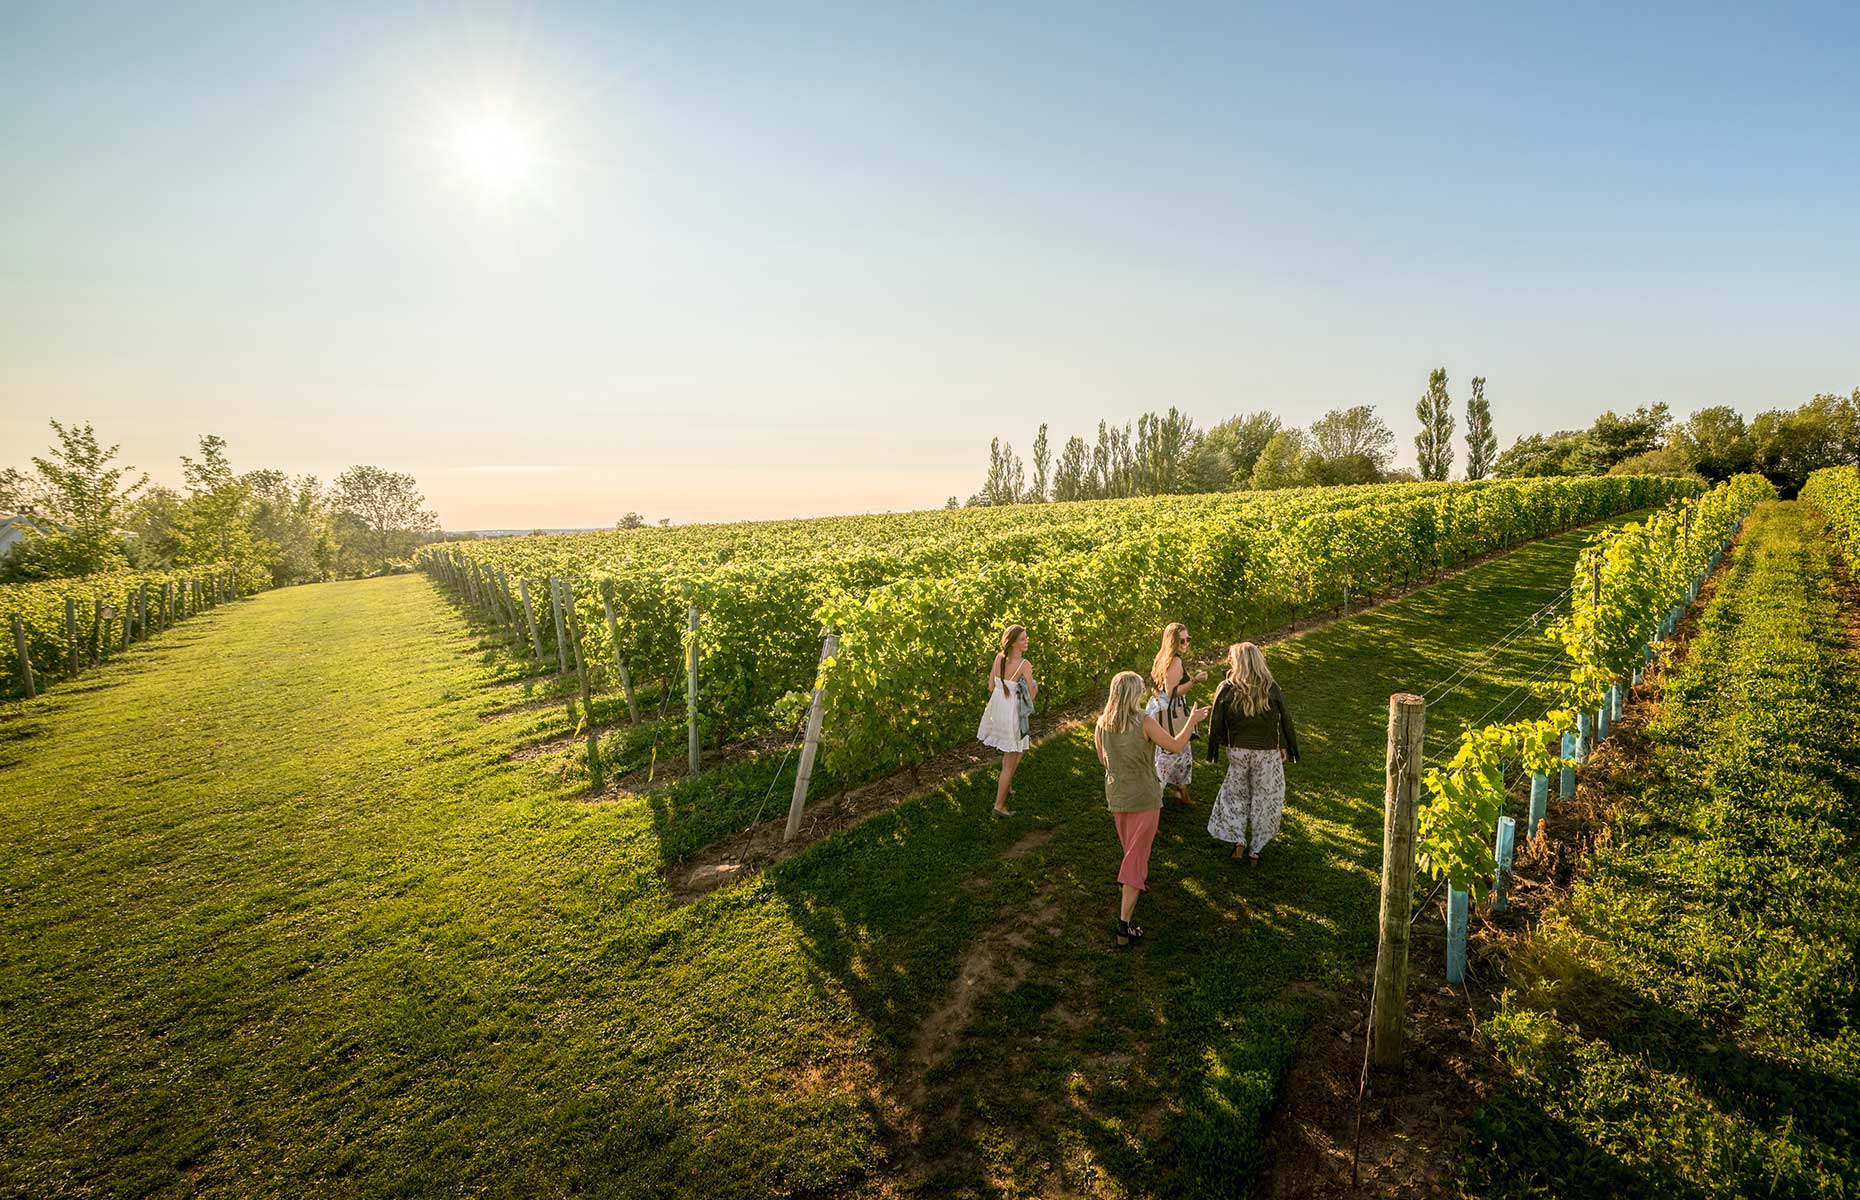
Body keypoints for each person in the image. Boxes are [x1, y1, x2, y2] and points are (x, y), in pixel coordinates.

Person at [1094, 670, 1210, 945]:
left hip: (1117, 795)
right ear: (1134, 693)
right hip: (1144, 797)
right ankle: (1124, 927)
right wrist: (1191, 720)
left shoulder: (1101, 724)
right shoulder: (1144, 721)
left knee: (1131, 849)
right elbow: (1176, 745)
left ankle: (1130, 883)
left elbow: (1103, 760)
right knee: (1136, 859)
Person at [1205, 642, 1299, 865]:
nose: (1228, 661)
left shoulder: (1227, 688)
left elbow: (1216, 720)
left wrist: (1217, 744)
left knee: (1236, 794)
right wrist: (1285, 745)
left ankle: (1238, 840)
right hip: (1266, 751)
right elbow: (1283, 717)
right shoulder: (1270, 686)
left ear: (1238, 661)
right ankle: (1256, 849)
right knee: (1265, 798)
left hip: (1238, 750)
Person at [976, 624, 1037, 818]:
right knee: (1011, 758)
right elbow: (1032, 695)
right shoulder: (1024, 665)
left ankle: (1007, 784)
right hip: (1013, 713)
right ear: (1012, 643)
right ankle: (999, 806)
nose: (1026, 641)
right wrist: (1034, 685)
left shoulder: (999, 658)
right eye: (1022, 639)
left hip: (999, 710)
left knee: (1017, 750)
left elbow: (990, 685)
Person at [1148, 622, 1208, 808]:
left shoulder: (1161, 657)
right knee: (1172, 752)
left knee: (1179, 752)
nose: (1185, 644)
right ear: (1172, 641)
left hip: (1159, 708)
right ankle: (1153, 800)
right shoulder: (1175, 661)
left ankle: (1180, 791)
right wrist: (1195, 681)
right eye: (1181, 641)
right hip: (1171, 712)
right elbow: (1172, 691)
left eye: (1187, 639)